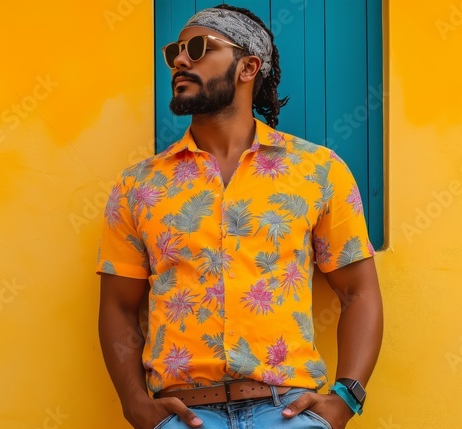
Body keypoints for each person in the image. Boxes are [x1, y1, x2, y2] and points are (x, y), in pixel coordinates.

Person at [96, 4, 383, 429]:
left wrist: (345, 399)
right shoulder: (139, 185)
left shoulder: (318, 171)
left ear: (248, 67)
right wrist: (134, 404)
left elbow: (359, 292)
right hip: (184, 416)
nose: (180, 60)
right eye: (176, 51)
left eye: (199, 48)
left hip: (288, 412)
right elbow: (118, 306)